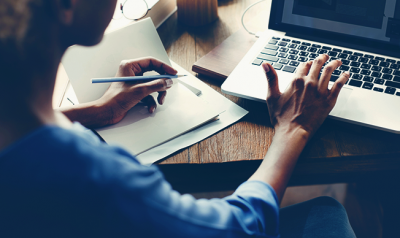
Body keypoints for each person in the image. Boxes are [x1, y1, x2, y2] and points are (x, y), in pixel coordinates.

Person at [0, 0, 356, 237]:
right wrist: (294, 129)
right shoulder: (93, 178)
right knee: (327, 215)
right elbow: (240, 227)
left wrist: (95, 112)